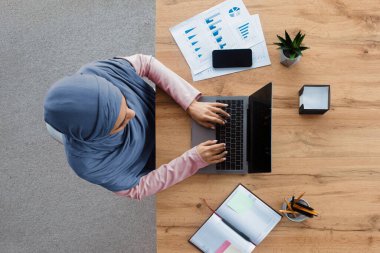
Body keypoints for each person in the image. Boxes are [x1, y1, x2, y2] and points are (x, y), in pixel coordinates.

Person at [44, 54, 229, 200]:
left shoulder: (97, 73)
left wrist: (190, 103)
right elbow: (136, 189)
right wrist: (193, 160)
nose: (133, 115)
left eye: (125, 103)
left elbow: (145, 62)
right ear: (98, 136)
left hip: (168, 116)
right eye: (121, 122)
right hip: (158, 158)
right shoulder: (88, 165)